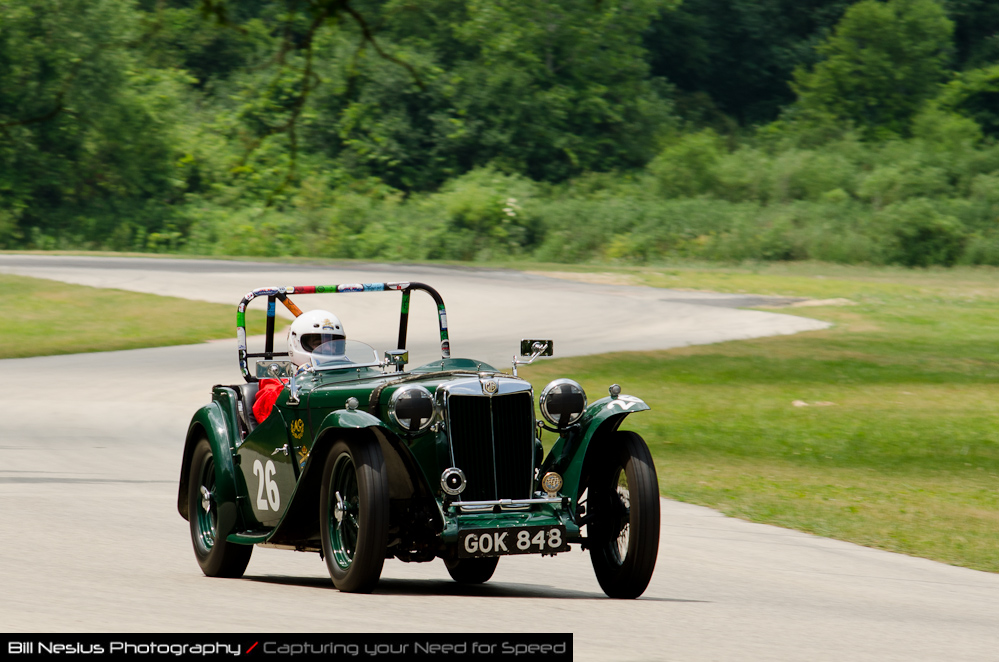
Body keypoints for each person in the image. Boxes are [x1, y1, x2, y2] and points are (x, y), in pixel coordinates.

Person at [253, 310, 346, 422]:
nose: (328, 349)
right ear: (296, 343)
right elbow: (266, 413)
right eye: (318, 343)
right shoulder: (276, 378)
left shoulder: (346, 373)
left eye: (333, 344)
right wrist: (300, 379)